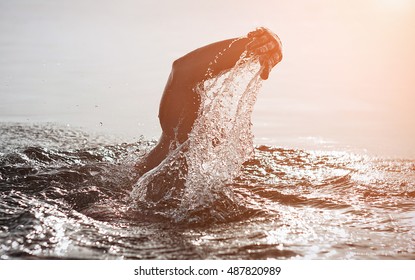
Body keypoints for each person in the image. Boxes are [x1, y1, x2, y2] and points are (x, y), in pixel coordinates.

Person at [135, 27, 283, 176]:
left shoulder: (158, 162)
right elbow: (183, 73)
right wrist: (253, 45)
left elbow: (183, 73)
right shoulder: (174, 144)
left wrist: (256, 44)